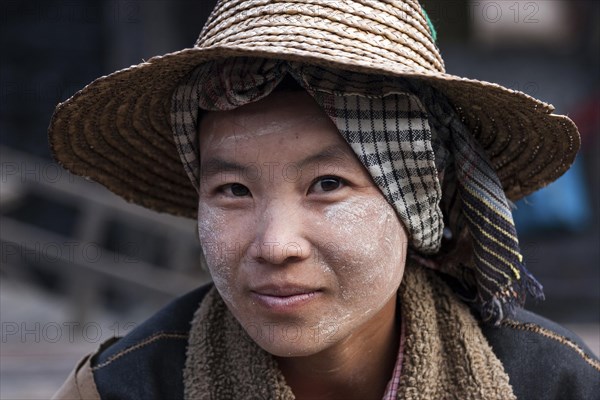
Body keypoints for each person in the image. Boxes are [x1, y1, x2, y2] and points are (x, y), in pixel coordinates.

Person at [50, 1, 599, 399]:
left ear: (418, 202)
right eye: (233, 190)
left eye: (328, 184)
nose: (275, 245)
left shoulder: (552, 383)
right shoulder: (124, 387)